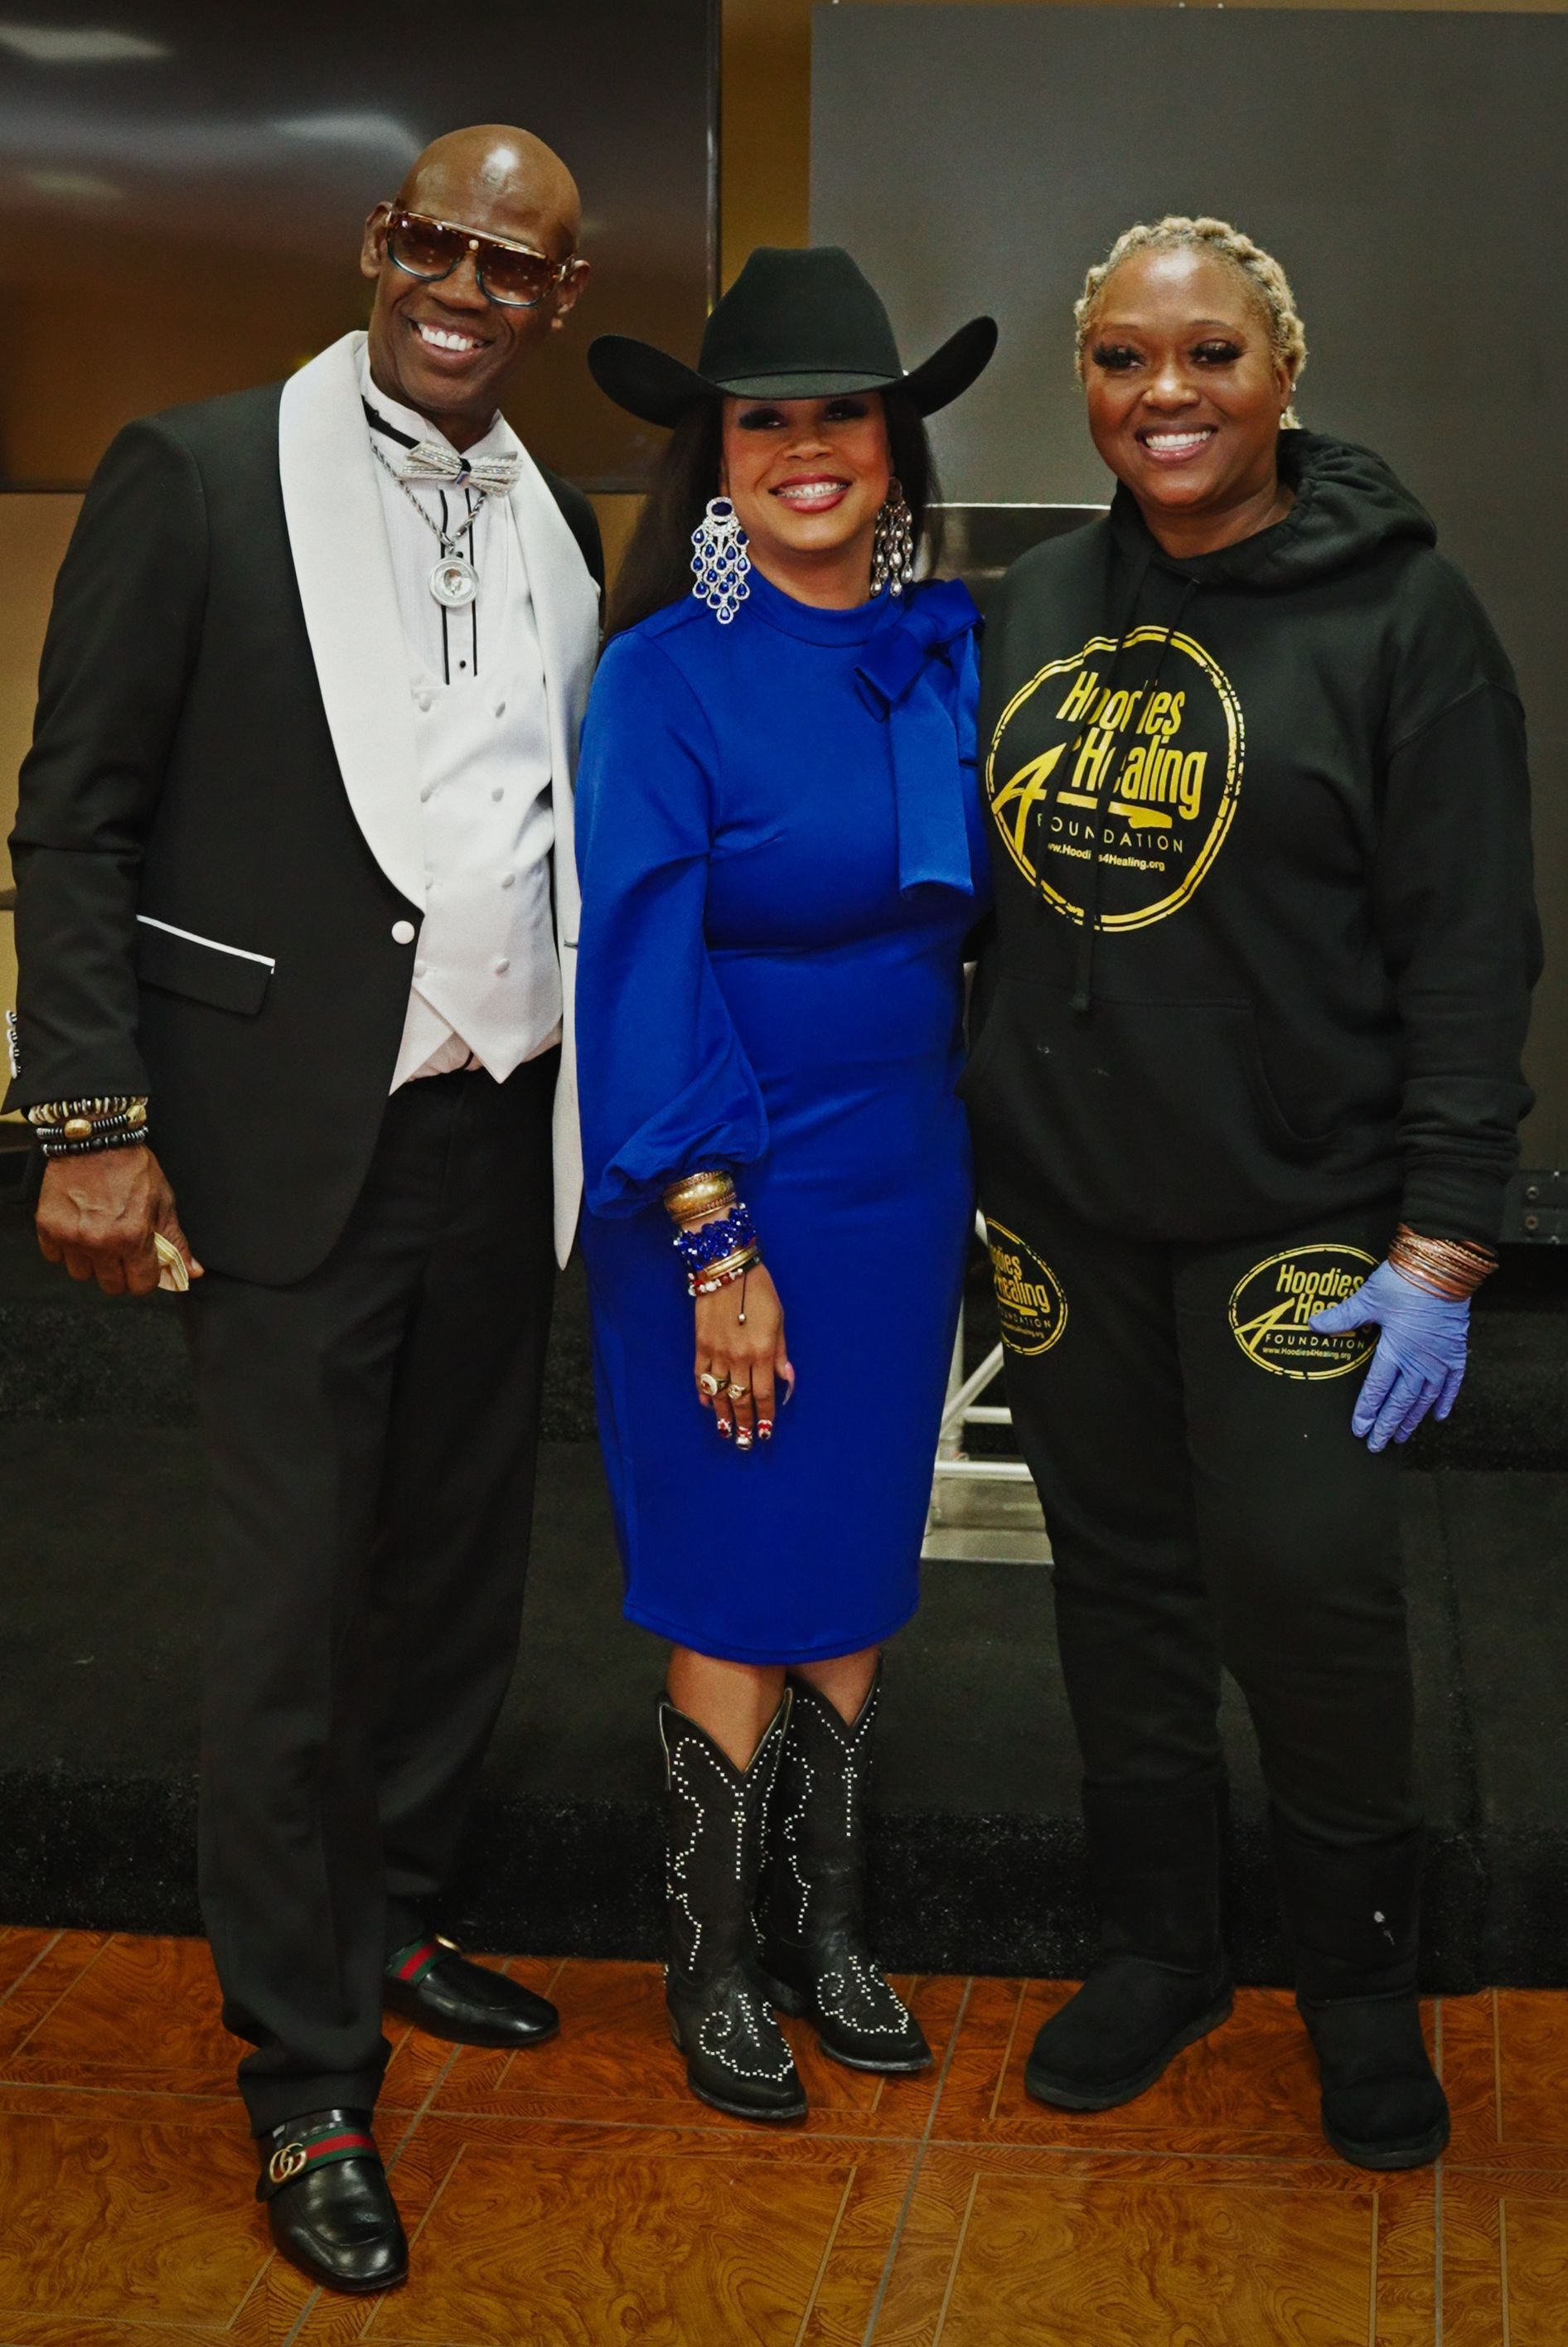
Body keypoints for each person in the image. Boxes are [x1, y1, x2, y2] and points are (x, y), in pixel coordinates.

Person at [4, 128, 601, 2292]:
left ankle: (402, 1914)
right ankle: (303, 2074)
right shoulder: (192, 471)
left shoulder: (556, 522)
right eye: (433, 239)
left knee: (455, 1578)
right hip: (276, 1141)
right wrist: (85, 1112)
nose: (462, 282)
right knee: (287, 1627)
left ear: (554, 293)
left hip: (490, 1133)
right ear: (376, 245)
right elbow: (75, 823)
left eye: (508, 261)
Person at [965, 215, 1537, 2172]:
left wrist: (1450, 1233)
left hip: (1298, 1206)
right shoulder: (1033, 599)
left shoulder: (1403, 619)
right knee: (1118, 1593)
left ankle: (1358, 1986)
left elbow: (1472, 941)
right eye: (1124, 359)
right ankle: (1163, 1948)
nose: (1164, 395)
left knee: (1302, 1587)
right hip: (1062, 1213)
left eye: (1209, 356)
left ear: (1284, 374)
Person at [575, 248, 996, 2121]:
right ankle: (716, 1966)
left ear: (895, 445)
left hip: (902, 1170)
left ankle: (832, 1939)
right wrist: (710, 1234)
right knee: (738, 1566)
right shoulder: (668, 675)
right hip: (722, 1169)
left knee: (850, 1563)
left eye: (844, 412)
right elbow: (639, 958)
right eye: (768, 419)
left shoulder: (960, 642)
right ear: (715, 456)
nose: (809, 448)